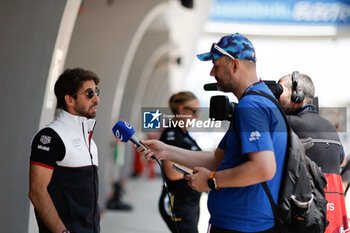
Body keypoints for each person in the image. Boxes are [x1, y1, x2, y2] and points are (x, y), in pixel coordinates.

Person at [137, 33, 288, 233]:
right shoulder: (263, 100)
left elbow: (263, 169)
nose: (211, 73)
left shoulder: (250, 106)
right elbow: (218, 159)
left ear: (235, 65)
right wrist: (166, 151)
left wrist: (212, 181)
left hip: (242, 226)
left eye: (216, 65)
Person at [28, 68, 101, 233]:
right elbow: (37, 192)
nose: (96, 99)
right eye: (90, 94)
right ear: (69, 99)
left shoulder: (89, 140)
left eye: (97, 92)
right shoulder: (50, 137)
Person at [278, 72, 348, 233]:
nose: (276, 97)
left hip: (307, 215)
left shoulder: (288, 123)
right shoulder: (329, 126)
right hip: (335, 216)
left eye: (280, 91)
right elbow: (341, 158)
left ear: (297, 94)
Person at [159, 91, 202, 233]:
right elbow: (171, 171)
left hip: (190, 202)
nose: (196, 116)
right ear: (182, 110)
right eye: (194, 111)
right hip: (177, 202)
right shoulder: (172, 134)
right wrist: (199, 168)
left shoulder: (185, 135)